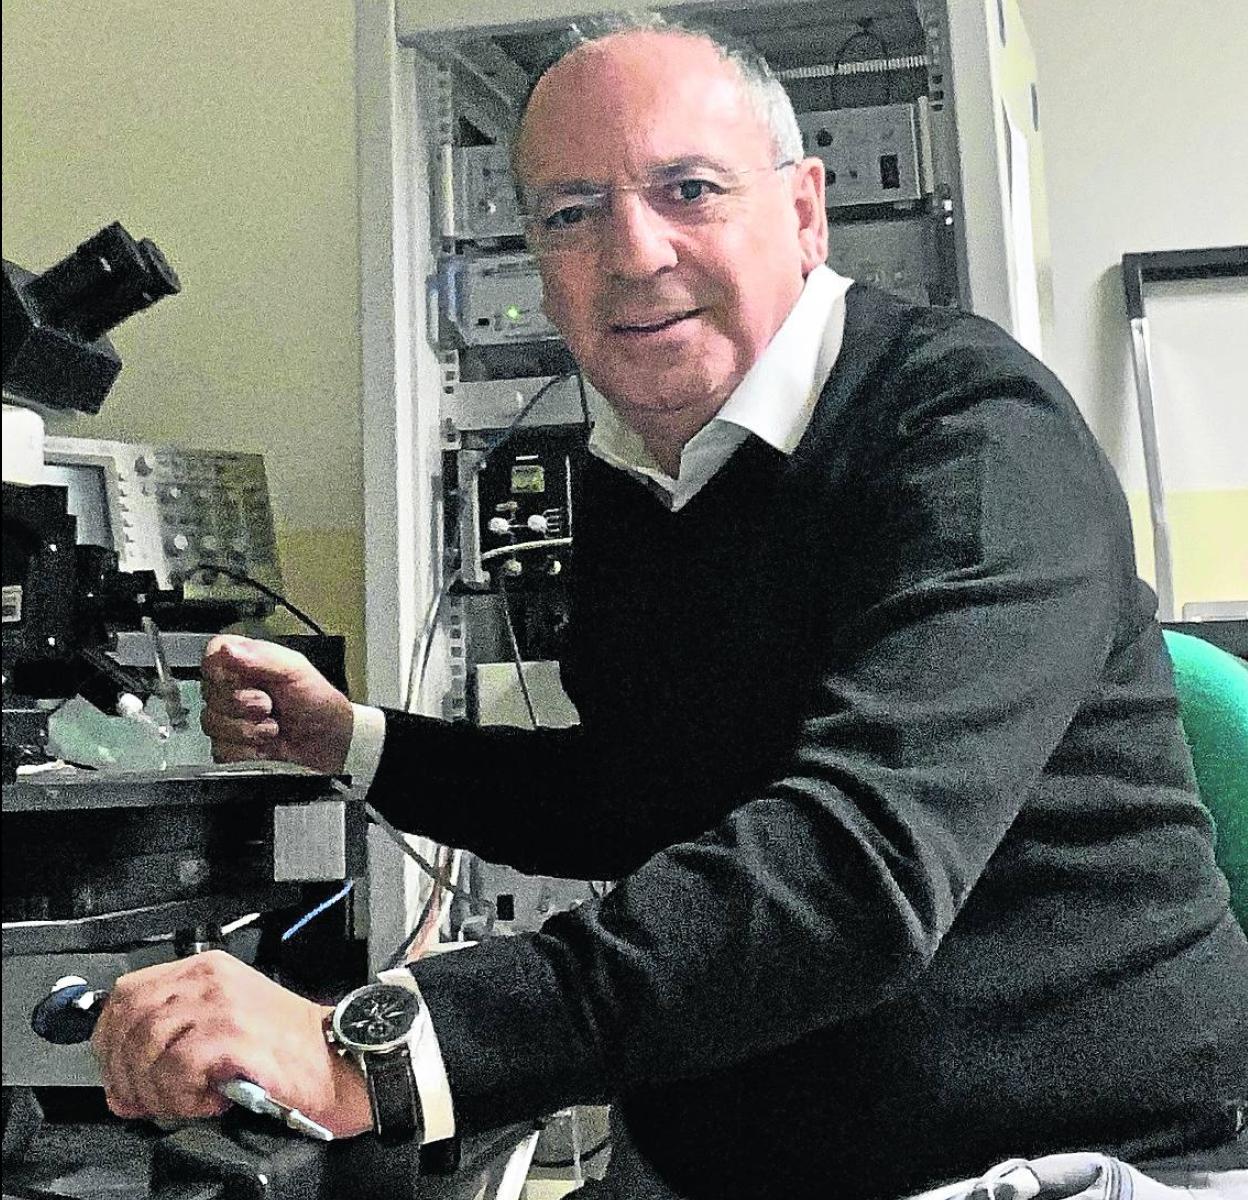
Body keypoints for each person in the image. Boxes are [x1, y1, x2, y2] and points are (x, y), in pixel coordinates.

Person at [91, 15, 1248, 1199]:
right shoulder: (641, 472)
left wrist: (378, 1048)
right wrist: (356, 741)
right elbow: (639, 794)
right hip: (725, 1145)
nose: (632, 252)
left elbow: (860, 868)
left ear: (804, 210)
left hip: (1033, 1154)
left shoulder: (975, 437)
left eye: (687, 190)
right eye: (571, 214)